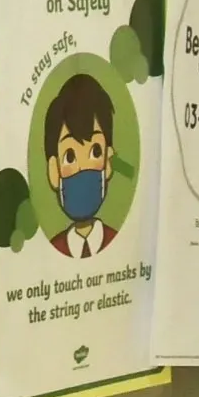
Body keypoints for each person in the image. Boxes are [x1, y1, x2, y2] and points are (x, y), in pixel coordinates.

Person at [43, 72, 120, 260]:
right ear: (54, 171)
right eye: (70, 157)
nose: (84, 169)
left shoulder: (119, 242)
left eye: (95, 152)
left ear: (107, 161)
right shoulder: (54, 249)